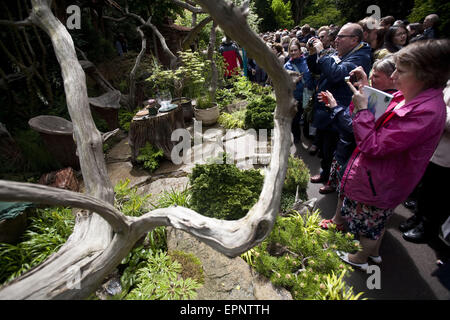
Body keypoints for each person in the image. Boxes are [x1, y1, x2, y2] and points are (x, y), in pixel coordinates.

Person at [331, 39, 449, 270]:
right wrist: (366, 91)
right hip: (379, 179)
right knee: (374, 222)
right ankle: (373, 254)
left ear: (425, 75)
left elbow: (374, 146)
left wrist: (363, 109)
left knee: (367, 224)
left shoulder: (425, 111)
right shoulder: (411, 97)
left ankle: (360, 258)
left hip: (380, 182)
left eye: (401, 71)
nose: (393, 76)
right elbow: (382, 112)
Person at [317, 56, 397, 196]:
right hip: (345, 147)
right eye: (371, 75)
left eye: (376, 76)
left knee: (347, 188)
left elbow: (353, 126)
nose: (372, 79)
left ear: (392, 78)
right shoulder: (369, 93)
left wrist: (335, 107)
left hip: (355, 153)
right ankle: (333, 186)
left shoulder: (386, 102)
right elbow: (352, 115)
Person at [306, 23, 372, 186]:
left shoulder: (360, 57)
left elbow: (336, 75)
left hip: (339, 112)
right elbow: (318, 69)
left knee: (335, 150)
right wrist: (313, 52)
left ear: (354, 39)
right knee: (325, 148)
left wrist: (322, 52)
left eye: (340, 37)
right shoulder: (343, 53)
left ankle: (332, 182)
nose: (336, 40)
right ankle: (326, 174)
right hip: (327, 110)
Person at [401, 79, 450, 246]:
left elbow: (441, 115)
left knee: (438, 195)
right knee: (425, 188)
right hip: (434, 149)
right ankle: (418, 217)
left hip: (446, 155)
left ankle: (428, 228)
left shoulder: (436, 108)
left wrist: (435, 113)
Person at [284, 38, 314, 144]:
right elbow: (284, 83)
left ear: (300, 50)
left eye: (295, 50)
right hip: (295, 96)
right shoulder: (287, 66)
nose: (293, 52)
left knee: (307, 117)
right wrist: (293, 81)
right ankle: (296, 137)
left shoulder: (307, 61)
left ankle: (308, 135)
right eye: (291, 51)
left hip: (308, 94)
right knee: (295, 119)